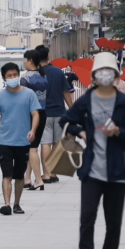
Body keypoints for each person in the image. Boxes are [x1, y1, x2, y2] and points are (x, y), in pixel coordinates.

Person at [59, 51, 125, 249]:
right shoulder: (87, 99)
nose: (105, 75)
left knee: (113, 220)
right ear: (94, 76)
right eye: (101, 71)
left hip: (117, 170)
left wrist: (118, 132)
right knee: (87, 216)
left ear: (115, 75)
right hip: (91, 169)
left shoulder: (124, 103)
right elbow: (67, 120)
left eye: (109, 71)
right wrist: (81, 131)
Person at [0, 62, 42, 216]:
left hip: (23, 141)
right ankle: (7, 204)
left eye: (15, 75)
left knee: (19, 175)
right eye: (9, 76)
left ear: (19, 75)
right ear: (4, 78)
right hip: (5, 142)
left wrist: (33, 130)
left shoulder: (29, 94)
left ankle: (17, 203)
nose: (13, 78)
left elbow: (36, 114)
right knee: (7, 174)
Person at [34, 45, 71, 184]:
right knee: (57, 144)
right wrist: (72, 109)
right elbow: (66, 92)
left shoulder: (35, 73)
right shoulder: (58, 72)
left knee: (45, 143)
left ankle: (47, 174)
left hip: (43, 114)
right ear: (48, 57)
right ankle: (54, 172)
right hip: (60, 112)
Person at [21, 51, 49, 191]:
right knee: (33, 147)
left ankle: (38, 180)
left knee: (32, 148)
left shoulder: (25, 78)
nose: (24, 62)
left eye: (25, 60)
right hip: (42, 114)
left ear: (30, 60)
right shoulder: (43, 76)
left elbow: (22, 99)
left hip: (30, 116)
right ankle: (27, 178)